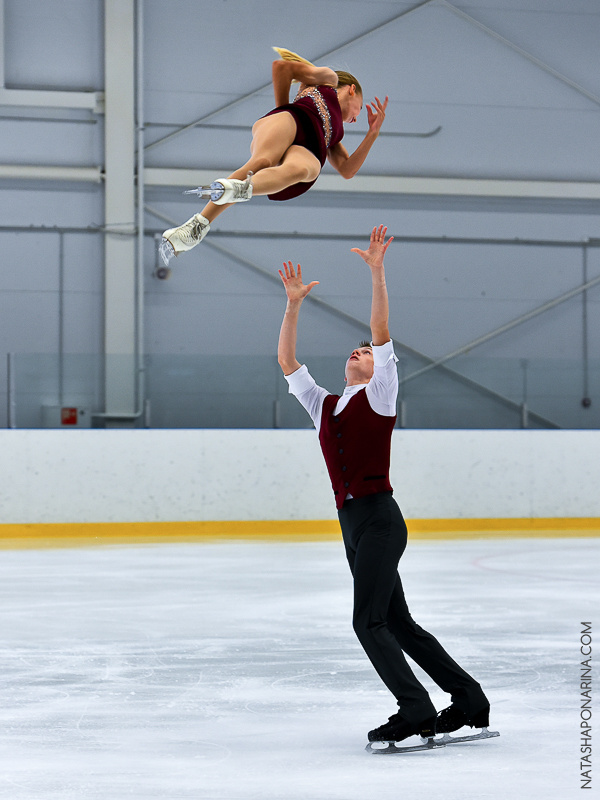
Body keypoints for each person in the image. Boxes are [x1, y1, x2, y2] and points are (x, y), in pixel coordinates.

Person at [277, 225, 491, 745]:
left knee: (367, 622)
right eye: (354, 352)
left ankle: (414, 709)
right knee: (397, 623)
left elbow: (380, 330)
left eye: (367, 353)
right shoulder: (324, 404)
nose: (359, 353)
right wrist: (293, 305)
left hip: (379, 519)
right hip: (352, 525)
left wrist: (377, 273)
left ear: (381, 368)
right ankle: (469, 699)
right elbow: (287, 362)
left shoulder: (381, 394)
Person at [160, 50, 388, 265]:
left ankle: (240, 190)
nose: (356, 119)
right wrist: (285, 111)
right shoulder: (327, 80)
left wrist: (373, 133)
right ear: (351, 89)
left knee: (304, 170)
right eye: (360, 109)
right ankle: (198, 224)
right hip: (291, 120)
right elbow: (282, 67)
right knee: (261, 162)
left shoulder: (336, 136)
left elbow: (347, 170)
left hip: (308, 147)